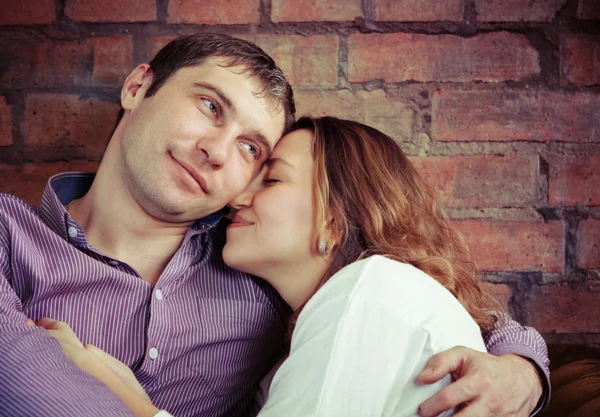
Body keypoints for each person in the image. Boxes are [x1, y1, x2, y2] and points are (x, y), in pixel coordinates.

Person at [1, 34, 548, 417]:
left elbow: (410, 305)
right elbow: (19, 378)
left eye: (250, 148)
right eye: (211, 106)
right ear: (138, 88)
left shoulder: (259, 263)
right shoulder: (9, 236)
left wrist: (525, 370)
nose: (218, 153)